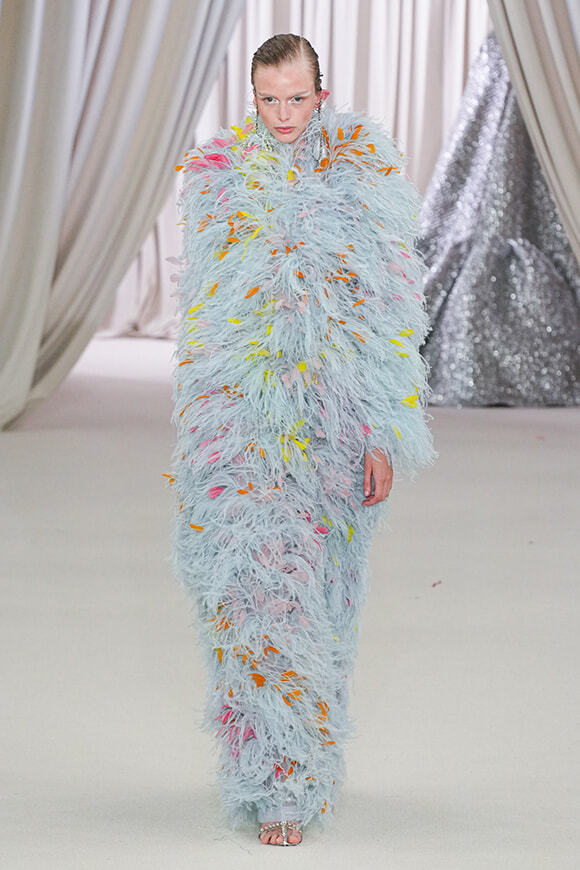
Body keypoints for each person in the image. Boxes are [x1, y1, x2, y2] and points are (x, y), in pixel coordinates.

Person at [171, 33, 434, 846]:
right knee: (253, 593)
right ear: (251, 97)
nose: (282, 113)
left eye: (296, 97)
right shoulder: (216, 179)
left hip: (332, 423)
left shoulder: (364, 178)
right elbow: (202, 309)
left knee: (320, 602)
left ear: (321, 93)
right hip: (238, 422)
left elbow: (392, 315)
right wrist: (200, 427)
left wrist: (385, 432)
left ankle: (303, 761)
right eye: (268, 98)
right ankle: (274, 780)